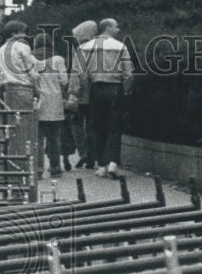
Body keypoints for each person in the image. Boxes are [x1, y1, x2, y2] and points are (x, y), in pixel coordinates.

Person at [80, 18, 134, 179]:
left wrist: (87, 87)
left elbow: (82, 74)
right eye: (116, 27)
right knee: (115, 127)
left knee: (98, 127)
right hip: (115, 89)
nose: (118, 30)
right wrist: (126, 91)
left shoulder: (87, 47)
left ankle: (101, 165)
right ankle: (113, 162)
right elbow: (129, 73)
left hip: (96, 89)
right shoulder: (120, 47)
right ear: (108, 28)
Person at [0, 20, 41, 176]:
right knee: (27, 128)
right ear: (14, 34)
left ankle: (12, 164)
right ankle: (28, 167)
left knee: (11, 128)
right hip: (23, 89)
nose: (25, 35)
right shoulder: (22, 47)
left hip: (5, 91)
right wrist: (37, 89)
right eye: (22, 32)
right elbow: (32, 72)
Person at [32, 33, 69, 178]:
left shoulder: (31, 59)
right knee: (54, 137)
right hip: (54, 101)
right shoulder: (58, 59)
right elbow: (64, 80)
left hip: (38, 100)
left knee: (38, 138)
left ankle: (38, 169)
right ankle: (55, 167)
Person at [65, 19, 98, 169]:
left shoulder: (81, 49)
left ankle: (84, 152)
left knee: (76, 123)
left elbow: (76, 73)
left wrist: (73, 92)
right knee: (92, 125)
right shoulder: (100, 47)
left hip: (82, 94)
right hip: (97, 92)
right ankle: (93, 155)